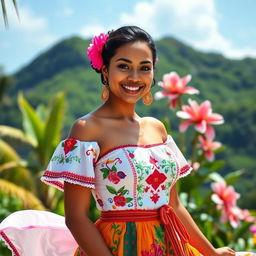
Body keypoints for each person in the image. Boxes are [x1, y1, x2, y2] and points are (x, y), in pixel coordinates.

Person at [0, 25, 251, 256]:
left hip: (170, 246)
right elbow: (76, 217)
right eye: (123, 66)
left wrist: (211, 253)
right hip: (117, 246)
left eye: (144, 67)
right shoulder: (87, 130)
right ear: (105, 70)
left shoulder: (157, 129)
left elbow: (173, 205)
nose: (134, 76)